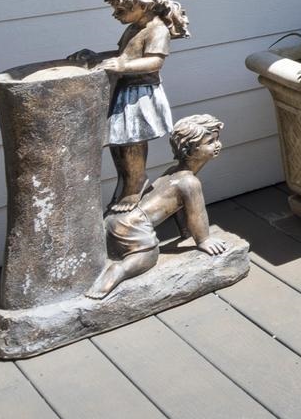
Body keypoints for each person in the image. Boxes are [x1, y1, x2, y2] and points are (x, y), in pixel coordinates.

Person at [69, 0, 186, 211]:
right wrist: (96, 57)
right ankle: (127, 180)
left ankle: (136, 183)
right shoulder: (134, 27)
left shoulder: (157, 30)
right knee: (118, 142)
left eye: (120, 10)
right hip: (126, 92)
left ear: (142, 4)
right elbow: (123, 55)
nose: (115, 15)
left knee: (132, 141)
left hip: (140, 95)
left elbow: (154, 62)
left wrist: (122, 66)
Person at [86, 114, 228, 299]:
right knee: (148, 257)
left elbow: (180, 209)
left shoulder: (174, 173)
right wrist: (203, 240)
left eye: (217, 139)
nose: (217, 144)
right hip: (134, 226)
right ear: (189, 150)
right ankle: (118, 271)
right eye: (210, 141)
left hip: (118, 218)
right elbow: (196, 215)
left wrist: (185, 233)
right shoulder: (190, 182)